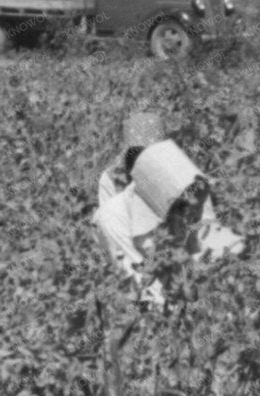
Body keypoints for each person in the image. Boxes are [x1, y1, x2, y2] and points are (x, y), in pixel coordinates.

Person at [92, 116, 243, 309]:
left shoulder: (183, 177)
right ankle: (150, 300)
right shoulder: (112, 178)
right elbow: (114, 234)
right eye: (136, 157)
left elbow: (205, 226)